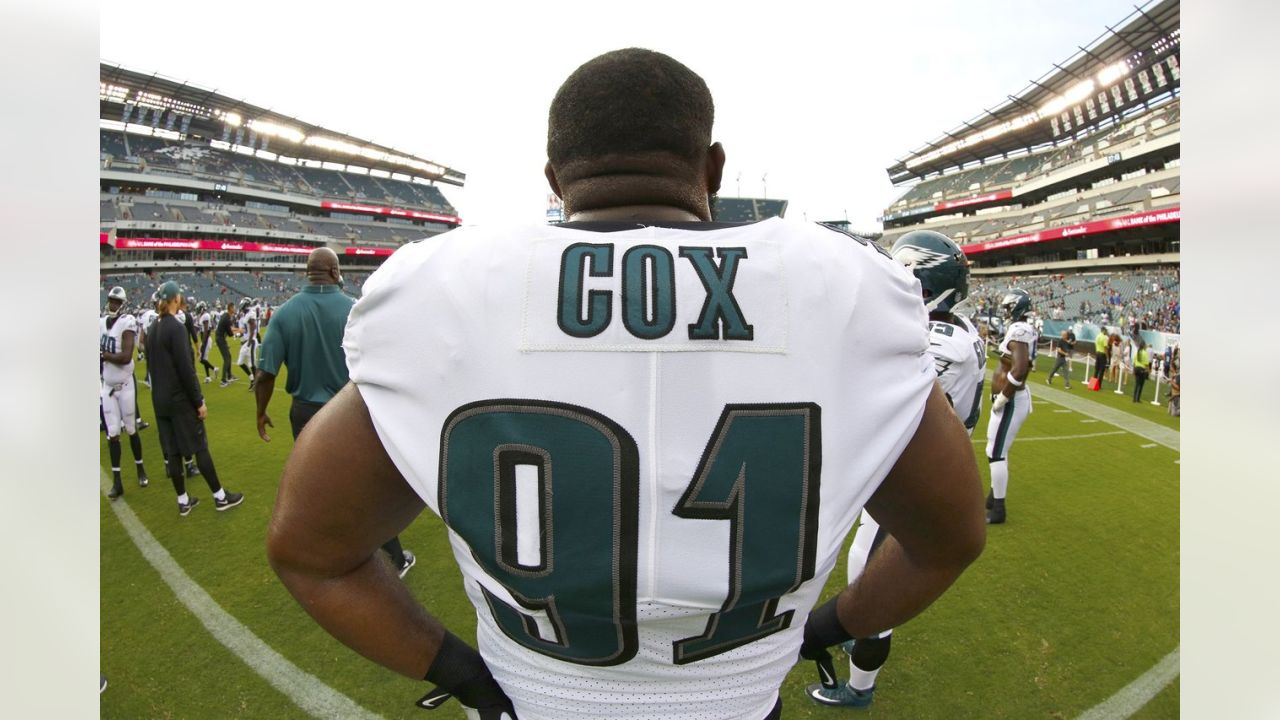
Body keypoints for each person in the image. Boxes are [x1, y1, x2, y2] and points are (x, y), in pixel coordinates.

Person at [266, 48, 985, 720]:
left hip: (539, 692)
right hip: (738, 696)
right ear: (713, 168)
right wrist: (823, 626)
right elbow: (949, 537)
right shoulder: (849, 286)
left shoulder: (440, 287)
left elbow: (311, 550)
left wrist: (462, 671)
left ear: (554, 179)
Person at [808, 229, 986, 709]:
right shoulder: (959, 329)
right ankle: (855, 642)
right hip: (910, 463)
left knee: (875, 584)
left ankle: (858, 689)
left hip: (910, 474)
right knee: (861, 571)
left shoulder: (936, 340)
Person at [255, 248, 416, 578]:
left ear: (308, 272)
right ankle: (394, 557)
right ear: (333, 271)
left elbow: (265, 374)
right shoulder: (353, 309)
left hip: (304, 413)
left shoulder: (284, 314)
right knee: (369, 488)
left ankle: (323, 555)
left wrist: (261, 411)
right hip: (350, 410)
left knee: (316, 487)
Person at [146, 280, 244, 516]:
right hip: (179, 400)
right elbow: (186, 369)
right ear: (175, 299)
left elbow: (151, 366)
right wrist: (198, 401)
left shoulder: (151, 329)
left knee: (172, 453)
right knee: (199, 447)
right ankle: (220, 497)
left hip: (159, 400)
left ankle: (183, 501)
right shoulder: (175, 328)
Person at [985, 288, 1037, 525]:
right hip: (1010, 399)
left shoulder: (1020, 329)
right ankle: (992, 496)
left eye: (1009, 306)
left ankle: (999, 509)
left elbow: (1019, 369)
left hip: (1012, 400)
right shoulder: (1019, 329)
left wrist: (1003, 397)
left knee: (996, 453)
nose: (1006, 311)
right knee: (993, 449)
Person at [100, 286, 151, 498]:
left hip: (126, 385)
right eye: (111, 300)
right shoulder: (100, 323)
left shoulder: (127, 322)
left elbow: (127, 356)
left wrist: (104, 355)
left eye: (117, 302)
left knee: (130, 429)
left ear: (123, 304)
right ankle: (117, 481)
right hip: (108, 386)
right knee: (112, 434)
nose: (113, 304)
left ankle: (140, 469)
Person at [236, 297, 259, 388]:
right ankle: (252, 378)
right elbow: (245, 330)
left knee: (252, 364)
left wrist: (249, 344)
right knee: (240, 362)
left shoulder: (251, 314)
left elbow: (253, 330)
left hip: (251, 341)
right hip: (246, 341)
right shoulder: (244, 315)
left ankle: (257, 383)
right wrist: (238, 334)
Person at [196, 301, 218, 384]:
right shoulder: (204, 316)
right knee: (204, 359)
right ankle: (208, 377)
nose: (197, 310)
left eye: (199, 308)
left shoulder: (205, 316)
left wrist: (203, 343)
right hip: (205, 339)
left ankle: (214, 368)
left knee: (201, 359)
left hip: (206, 339)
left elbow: (206, 330)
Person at [215, 301, 236, 386]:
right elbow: (230, 334)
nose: (235, 309)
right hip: (221, 339)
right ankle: (223, 380)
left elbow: (229, 329)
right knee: (227, 358)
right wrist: (239, 331)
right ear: (230, 308)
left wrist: (237, 329)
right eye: (234, 307)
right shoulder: (227, 319)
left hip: (220, 338)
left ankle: (229, 375)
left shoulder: (225, 315)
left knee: (228, 357)